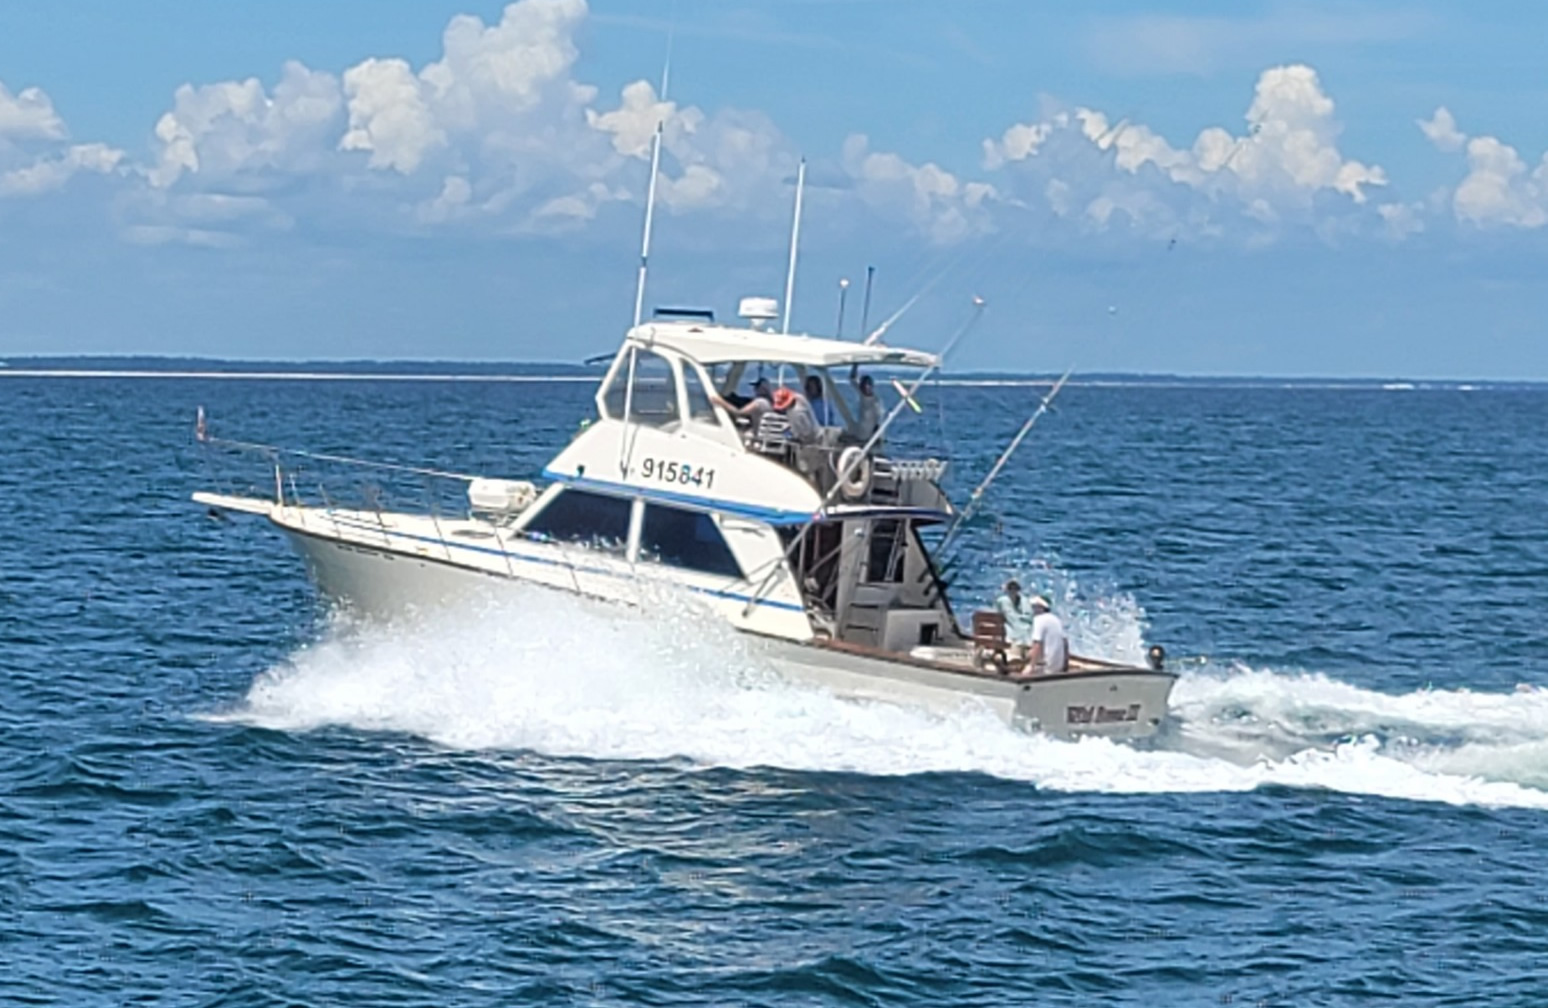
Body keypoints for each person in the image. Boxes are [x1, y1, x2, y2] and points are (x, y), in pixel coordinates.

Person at [1026, 594, 1069, 675]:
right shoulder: (1056, 619)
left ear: (1041, 607)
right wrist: (1065, 666)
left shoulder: (1039, 619)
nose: (1033, 609)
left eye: (1035, 606)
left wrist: (1031, 667)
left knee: (1024, 671)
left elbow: (1037, 645)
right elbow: (1065, 642)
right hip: (1058, 666)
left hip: (1047, 667)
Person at [994, 579, 1035, 660]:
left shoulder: (1024, 601)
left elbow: (1028, 617)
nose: (1013, 590)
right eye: (1011, 588)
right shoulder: (1002, 601)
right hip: (1014, 635)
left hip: (1019, 635)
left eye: (1015, 588)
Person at [847, 364, 882, 442]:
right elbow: (852, 379)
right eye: (865, 385)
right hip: (861, 432)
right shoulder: (862, 395)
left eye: (869, 384)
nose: (867, 387)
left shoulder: (876, 399)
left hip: (871, 434)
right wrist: (855, 366)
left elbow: (878, 416)